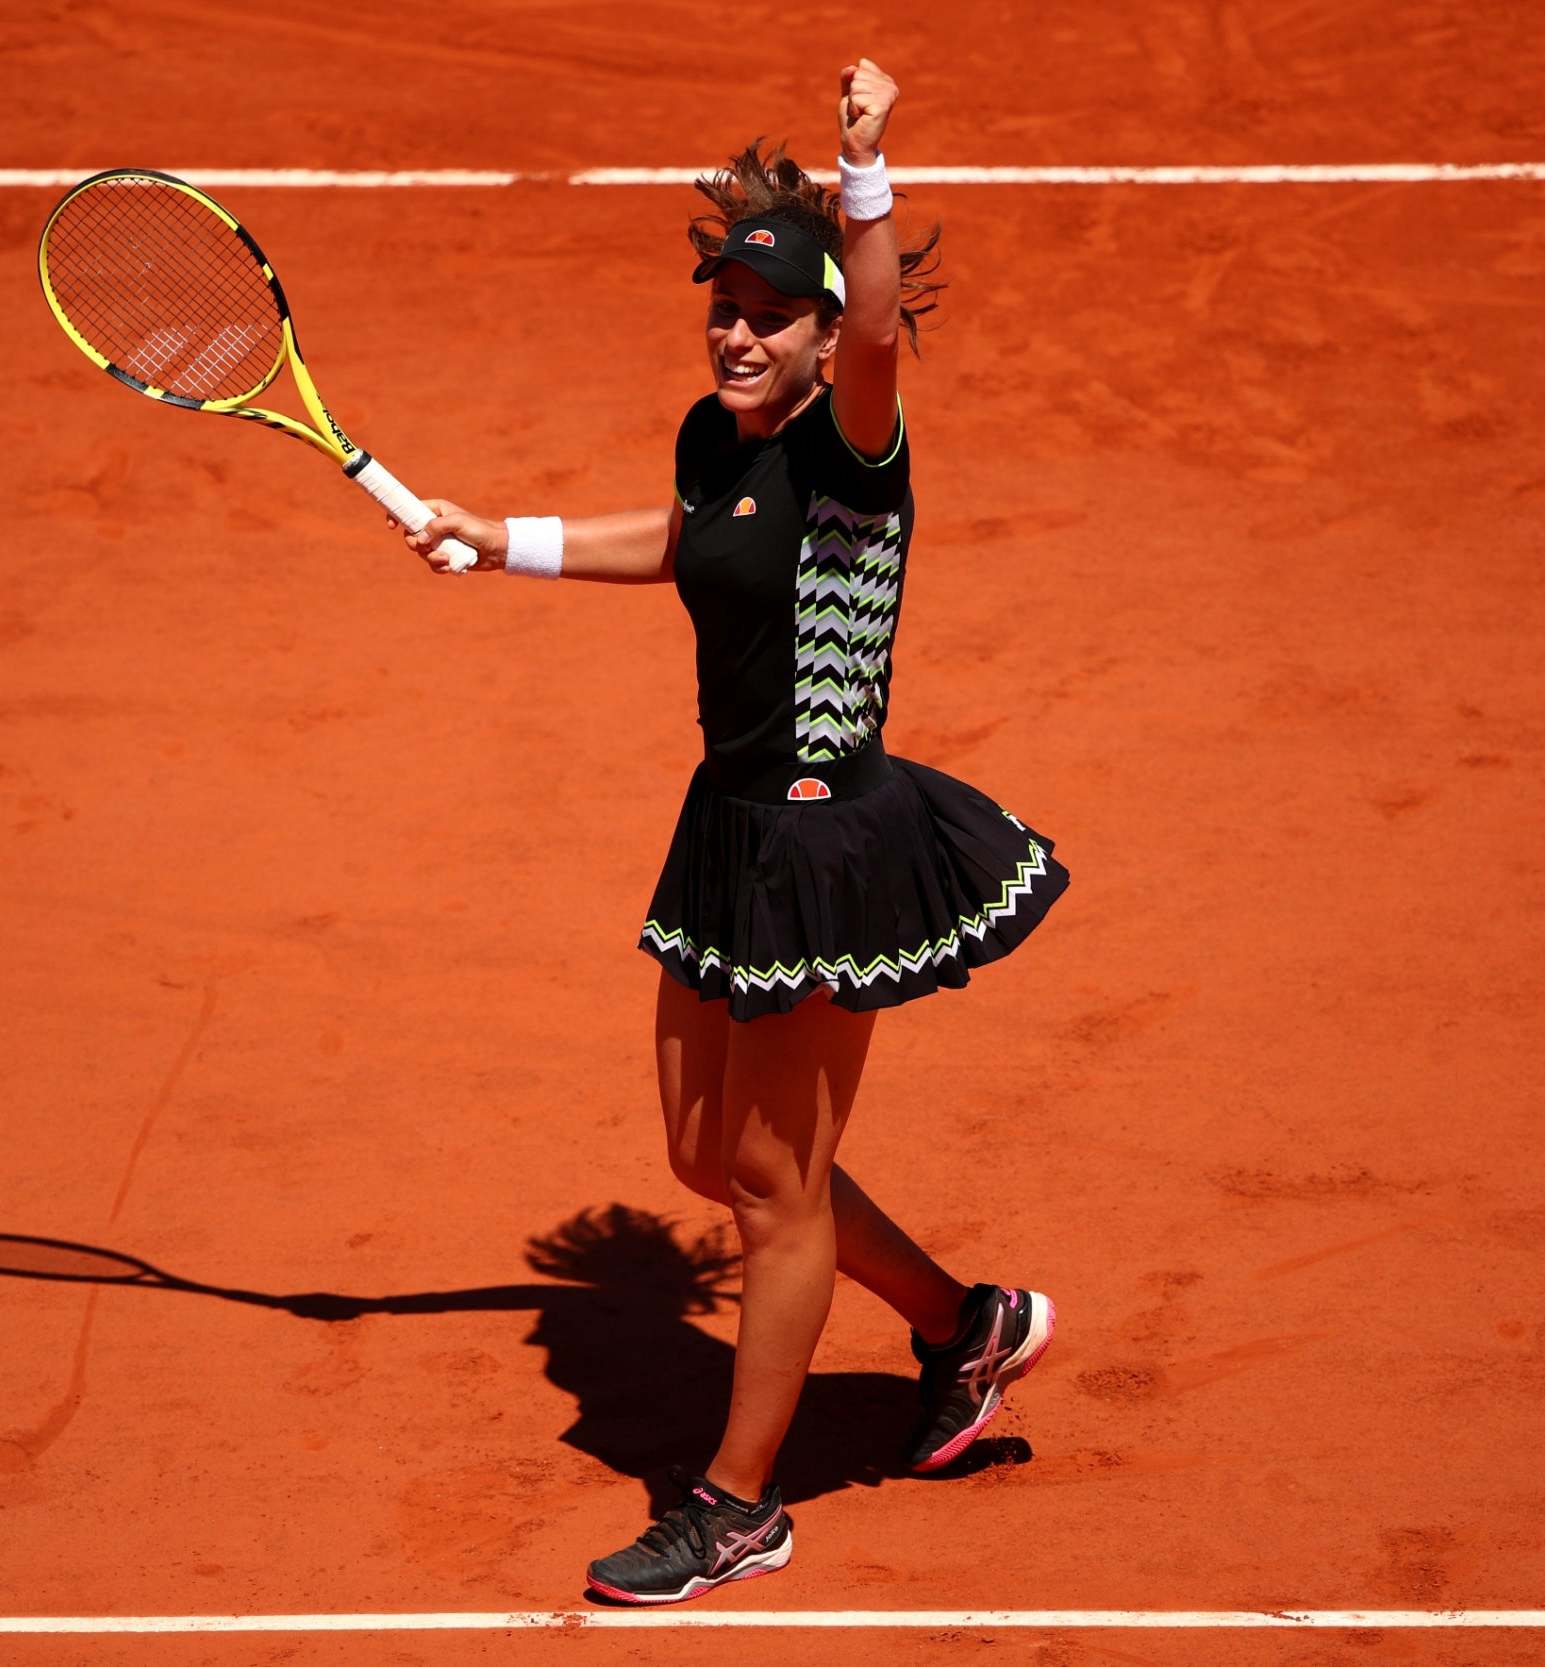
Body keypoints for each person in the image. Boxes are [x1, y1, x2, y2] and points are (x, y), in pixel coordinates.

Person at [396, 58, 1071, 1605]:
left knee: (775, 1188)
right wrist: (498, 540)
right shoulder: (718, 441)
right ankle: (964, 1326)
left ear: (829, 335)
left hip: (833, 850)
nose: (736, 330)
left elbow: (884, 321)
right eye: (724, 305)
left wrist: (862, 168)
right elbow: (685, 544)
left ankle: (736, 1509)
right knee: (715, 1160)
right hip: (727, 830)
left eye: (770, 314)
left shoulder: (853, 444)